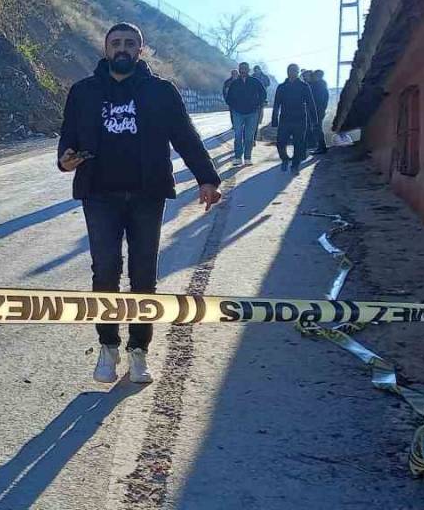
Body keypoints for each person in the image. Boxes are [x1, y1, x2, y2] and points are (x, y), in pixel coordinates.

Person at [58, 22, 223, 384]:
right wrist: (64, 160)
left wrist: (207, 177)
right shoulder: (83, 92)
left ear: (141, 50)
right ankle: (108, 346)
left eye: (130, 44)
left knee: (144, 273)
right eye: (116, 43)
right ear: (105, 49)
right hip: (99, 194)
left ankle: (138, 350)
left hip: (147, 194)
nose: (122, 48)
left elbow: (185, 136)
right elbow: (68, 137)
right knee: (105, 270)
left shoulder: (161, 91)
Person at [271, 64, 319, 173]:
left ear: (297, 72)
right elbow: (276, 104)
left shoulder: (304, 86)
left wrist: (314, 120)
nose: (292, 72)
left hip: (300, 119)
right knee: (280, 142)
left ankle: (295, 165)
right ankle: (285, 159)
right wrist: (275, 119)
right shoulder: (282, 87)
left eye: (294, 71)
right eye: (290, 70)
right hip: (285, 119)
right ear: (287, 72)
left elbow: (311, 103)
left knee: (298, 143)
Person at [223, 62, 267, 166]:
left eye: (245, 69)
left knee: (249, 136)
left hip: (252, 113)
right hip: (237, 113)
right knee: (238, 135)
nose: (243, 71)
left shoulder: (255, 82)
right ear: (239, 70)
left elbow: (263, 94)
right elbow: (228, 97)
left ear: (248, 70)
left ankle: (247, 157)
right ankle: (238, 157)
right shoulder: (234, 83)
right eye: (241, 69)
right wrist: (233, 107)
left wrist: (257, 104)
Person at [309, 69, 330, 154]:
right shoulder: (320, 85)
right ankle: (320, 147)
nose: (313, 77)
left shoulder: (319, 86)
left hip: (317, 110)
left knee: (317, 128)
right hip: (317, 110)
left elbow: (320, 100)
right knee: (317, 128)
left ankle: (322, 147)